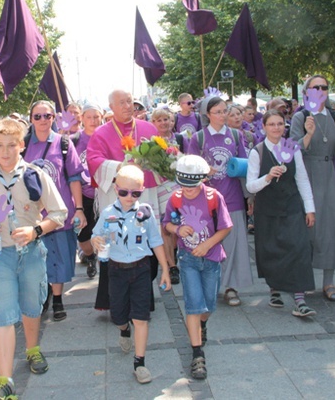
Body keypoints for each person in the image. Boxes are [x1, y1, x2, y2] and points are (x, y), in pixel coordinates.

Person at [0, 118, 68, 400]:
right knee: (2, 313)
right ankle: (5, 380)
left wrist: (36, 230)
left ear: (21, 146)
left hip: (32, 253)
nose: (5, 151)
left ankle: (33, 349)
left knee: (31, 306)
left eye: (11, 145)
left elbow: (58, 215)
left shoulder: (35, 175)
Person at [91, 164, 171, 384]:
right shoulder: (108, 213)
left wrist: (165, 269)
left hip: (141, 269)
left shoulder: (145, 212)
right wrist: (96, 240)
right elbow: (96, 235)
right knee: (118, 314)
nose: (129, 197)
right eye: (123, 192)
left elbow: (156, 241)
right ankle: (124, 330)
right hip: (116, 271)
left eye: (135, 193)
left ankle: (140, 362)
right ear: (115, 189)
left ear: (142, 190)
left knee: (141, 317)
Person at [86, 90, 160, 310]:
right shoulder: (101, 133)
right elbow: (93, 160)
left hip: (143, 194)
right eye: (122, 103)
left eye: (130, 101)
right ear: (111, 107)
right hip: (115, 197)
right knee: (115, 243)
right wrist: (118, 167)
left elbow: (162, 155)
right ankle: (114, 300)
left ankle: (144, 297)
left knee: (146, 238)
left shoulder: (148, 128)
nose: (128, 106)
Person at [162, 155, 231, 380]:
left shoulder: (214, 197)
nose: (188, 191)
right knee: (193, 305)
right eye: (184, 186)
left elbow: (225, 228)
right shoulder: (175, 198)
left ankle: (203, 324)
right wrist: (176, 229)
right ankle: (197, 354)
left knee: (208, 305)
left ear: (202, 180)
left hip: (211, 258)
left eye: (193, 187)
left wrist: (207, 245)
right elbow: (167, 223)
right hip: (188, 259)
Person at [246, 110, 317, 318]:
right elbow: (251, 187)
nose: (276, 128)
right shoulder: (257, 152)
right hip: (268, 208)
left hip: (292, 204)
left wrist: (310, 208)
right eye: (272, 124)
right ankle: (274, 288)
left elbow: (302, 179)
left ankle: (299, 298)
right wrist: (267, 177)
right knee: (272, 249)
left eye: (280, 124)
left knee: (299, 247)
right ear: (264, 127)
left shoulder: (292, 149)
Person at [290, 75, 335, 301]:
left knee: (331, 228)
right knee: (307, 230)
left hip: (329, 177)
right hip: (306, 175)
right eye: (315, 87)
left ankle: (329, 282)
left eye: (324, 87)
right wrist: (308, 134)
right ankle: (303, 279)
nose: (320, 91)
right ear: (307, 92)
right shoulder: (301, 117)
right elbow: (292, 151)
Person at [186, 96, 253, 307]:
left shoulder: (235, 134)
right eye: (218, 112)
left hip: (232, 198)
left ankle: (231, 287)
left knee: (233, 244)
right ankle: (210, 285)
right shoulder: (198, 138)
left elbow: (245, 165)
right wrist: (204, 171)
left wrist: (250, 196)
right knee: (207, 244)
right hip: (205, 201)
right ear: (208, 114)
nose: (222, 115)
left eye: (225, 111)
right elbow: (189, 167)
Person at [22, 101, 85, 321]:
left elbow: (75, 177)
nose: (42, 120)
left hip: (59, 213)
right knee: (35, 258)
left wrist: (79, 209)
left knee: (58, 257)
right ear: (31, 119)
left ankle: (57, 298)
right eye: (37, 116)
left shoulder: (64, 143)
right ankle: (43, 293)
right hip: (32, 214)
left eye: (46, 116)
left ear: (53, 118)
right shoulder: (23, 145)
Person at [150, 107, 182, 285]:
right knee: (166, 227)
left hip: (179, 186)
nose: (164, 123)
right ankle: (171, 265)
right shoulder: (150, 142)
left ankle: (176, 255)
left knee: (178, 224)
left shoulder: (180, 139)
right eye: (159, 119)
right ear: (153, 122)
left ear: (173, 121)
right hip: (159, 187)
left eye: (167, 119)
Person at [72, 103, 103, 279]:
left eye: (96, 117)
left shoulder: (107, 136)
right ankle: (90, 257)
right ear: (82, 118)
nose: (93, 120)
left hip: (105, 191)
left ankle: (106, 263)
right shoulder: (75, 140)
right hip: (84, 193)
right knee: (84, 236)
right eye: (89, 117)